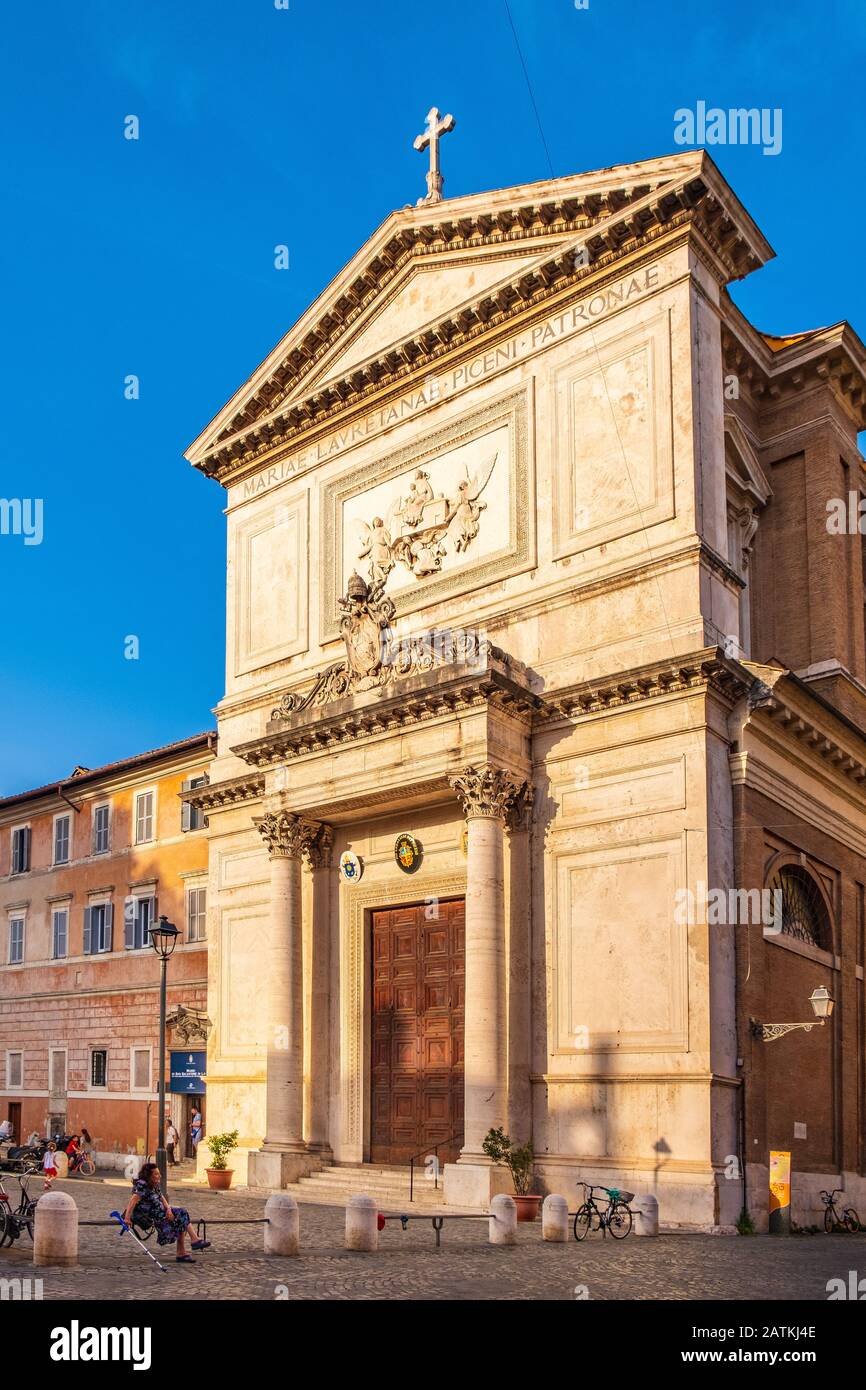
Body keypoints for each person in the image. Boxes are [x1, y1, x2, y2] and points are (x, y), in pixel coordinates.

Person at [122, 1162, 210, 1264]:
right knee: (182, 1214)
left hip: (162, 1213)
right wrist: (127, 1218)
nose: (160, 1175)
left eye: (159, 1173)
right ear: (149, 1175)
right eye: (156, 1174)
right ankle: (191, 1244)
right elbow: (133, 1200)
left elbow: (161, 1197)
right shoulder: (142, 1184)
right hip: (153, 1216)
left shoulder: (154, 1185)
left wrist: (168, 1209)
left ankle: (184, 1251)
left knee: (182, 1217)